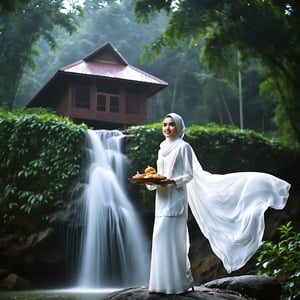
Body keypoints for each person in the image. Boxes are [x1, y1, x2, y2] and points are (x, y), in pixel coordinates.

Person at [146, 112, 291, 295]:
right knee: (160, 238)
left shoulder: (184, 147)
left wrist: (172, 182)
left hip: (176, 199)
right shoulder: (161, 148)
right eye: (165, 124)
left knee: (173, 240)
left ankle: (175, 284)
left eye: (172, 125)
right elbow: (159, 175)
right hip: (162, 199)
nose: (167, 128)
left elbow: (189, 175)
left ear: (179, 127)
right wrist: (151, 183)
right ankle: (158, 283)